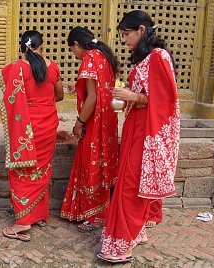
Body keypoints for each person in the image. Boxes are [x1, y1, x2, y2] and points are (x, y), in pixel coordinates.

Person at [98, 10, 180, 263]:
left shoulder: (159, 56)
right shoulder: (144, 58)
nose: (124, 40)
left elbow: (166, 100)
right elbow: (143, 96)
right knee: (128, 182)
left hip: (150, 132)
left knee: (132, 186)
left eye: (127, 34)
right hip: (137, 127)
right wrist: (127, 99)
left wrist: (134, 97)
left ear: (142, 30)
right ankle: (136, 230)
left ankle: (123, 243)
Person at [0, 30, 63, 241]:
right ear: (42, 46)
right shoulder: (53, 68)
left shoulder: (19, 67)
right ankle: (39, 215)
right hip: (49, 124)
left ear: (22, 48)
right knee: (42, 169)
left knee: (21, 170)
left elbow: (7, 89)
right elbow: (59, 95)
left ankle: (22, 222)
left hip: (28, 127)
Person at [60, 26, 119, 232]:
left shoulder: (90, 58)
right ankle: (103, 210)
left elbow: (92, 98)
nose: (74, 55)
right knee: (104, 163)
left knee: (91, 163)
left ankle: (94, 215)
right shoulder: (103, 55)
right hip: (108, 120)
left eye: (72, 50)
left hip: (95, 122)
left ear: (77, 44)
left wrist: (79, 122)